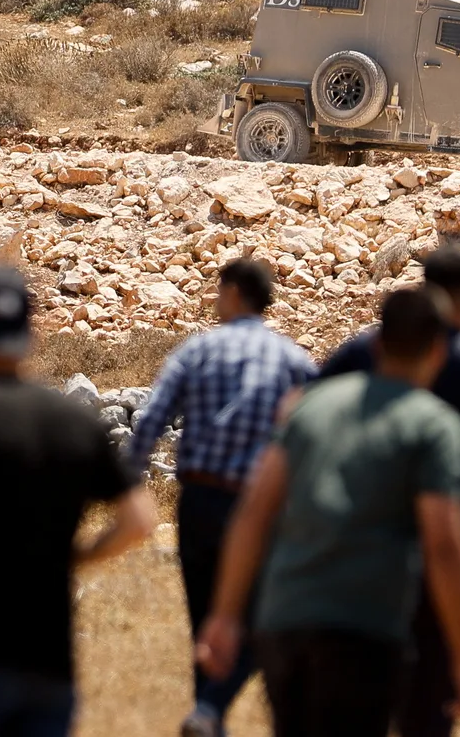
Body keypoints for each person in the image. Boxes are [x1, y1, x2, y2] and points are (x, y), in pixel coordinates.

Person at [195, 288, 460, 737]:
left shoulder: (308, 406)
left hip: (283, 620)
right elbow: (443, 545)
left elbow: (253, 514)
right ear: (438, 350)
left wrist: (226, 614)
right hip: (363, 625)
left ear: (378, 344)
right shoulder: (433, 423)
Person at [0, 266, 155, 737]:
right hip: (48, 658)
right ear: (31, 332)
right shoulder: (74, 421)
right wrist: (76, 558)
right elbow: (140, 519)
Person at [318, 244, 460, 737]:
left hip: (359, 548)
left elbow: (308, 406)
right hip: (445, 546)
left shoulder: (370, 349)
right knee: (429, 713)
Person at [129, 258, 317, 737]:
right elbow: (322, 428)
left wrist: (129, 484)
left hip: (199, 501)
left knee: (205, 619)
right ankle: (211, 710)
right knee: (260, 617)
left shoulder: (198, 351)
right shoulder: (293, 359)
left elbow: (150, 421)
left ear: (233, 292)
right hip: (261, 510)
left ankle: (207, 711)